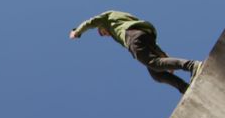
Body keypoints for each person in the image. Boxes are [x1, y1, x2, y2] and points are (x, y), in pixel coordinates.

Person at [69, 10, 202, 94]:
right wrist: (162, 54)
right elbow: (148, 41)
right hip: (143, 35)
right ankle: (185, 88)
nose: (106, 35)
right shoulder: (123, 19)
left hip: (132, 37)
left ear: (103, 27)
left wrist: (77, 31)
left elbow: (90, 22)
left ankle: (193, 66)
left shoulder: (107, 18)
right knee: (157, 74)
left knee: (153, 63)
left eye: (103, 33)